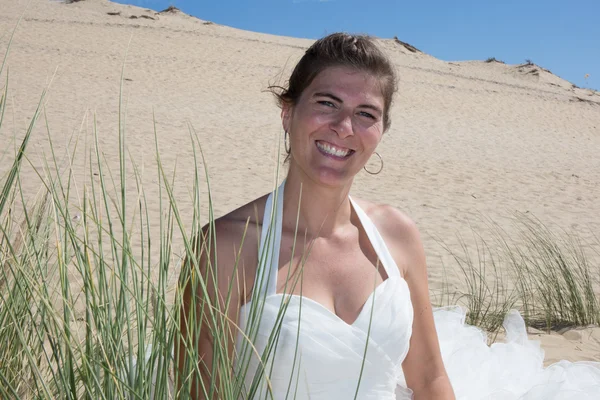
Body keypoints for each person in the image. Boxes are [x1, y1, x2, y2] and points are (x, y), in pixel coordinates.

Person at [177, 33, 600, 400]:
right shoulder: (227, 245)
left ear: (381, 130)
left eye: (366, 114)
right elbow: (202, 390)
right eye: (327, 103)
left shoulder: (397, 234)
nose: (345, 127)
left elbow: (429, 377)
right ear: (288, 112)